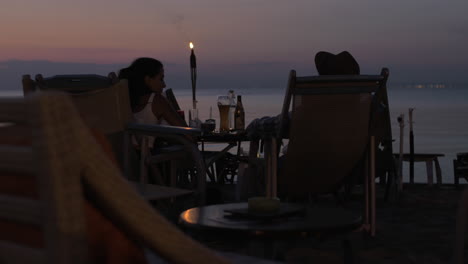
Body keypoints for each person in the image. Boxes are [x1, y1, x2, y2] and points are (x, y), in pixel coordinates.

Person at [118, 57, 188, 149]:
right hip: (146, 160)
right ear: (148, 80)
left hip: (123, 160)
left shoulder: (122, 101)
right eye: (161, 79)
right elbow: (187, 133)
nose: (164, 85)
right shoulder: (156, 100)